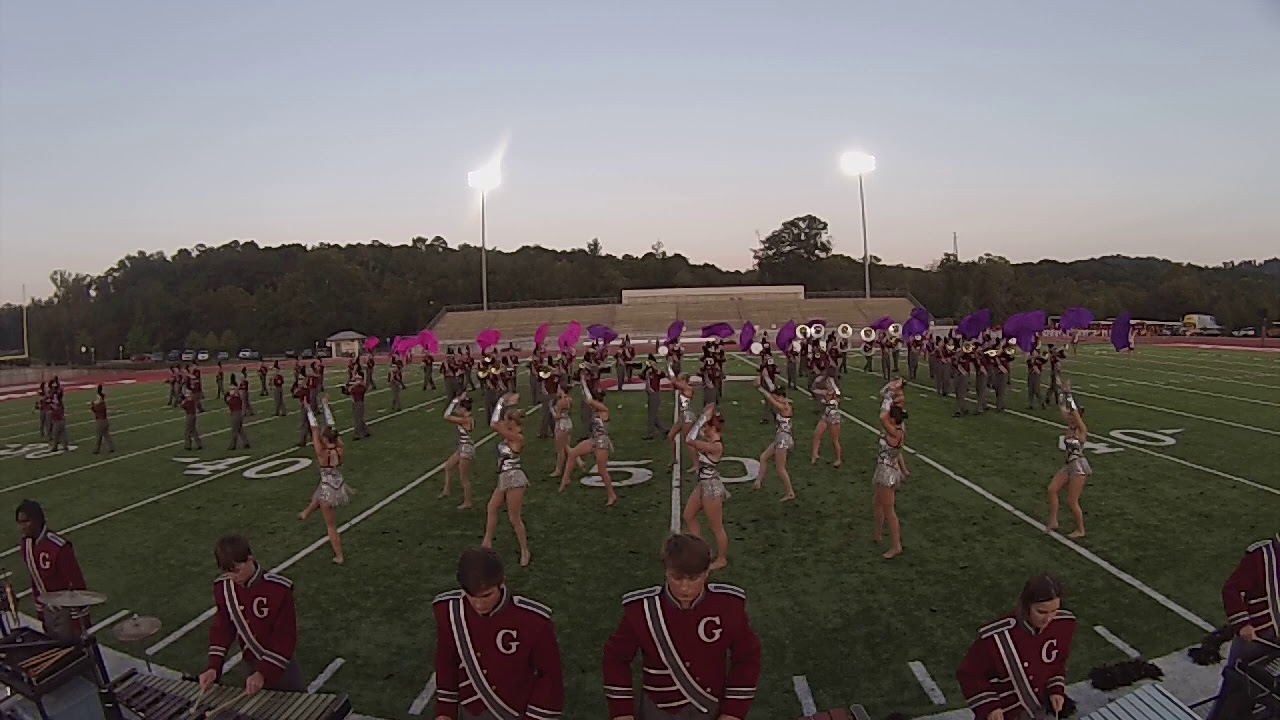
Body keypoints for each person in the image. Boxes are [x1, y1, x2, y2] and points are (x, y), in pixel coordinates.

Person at [602, 533, 761, 720]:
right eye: (676, 578)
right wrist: (622, 713)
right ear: (666, 570)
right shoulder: (641, 610)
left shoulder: (728, 606)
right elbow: (616, 659)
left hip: (710, 707)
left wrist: (733, 713)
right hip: (658, 709)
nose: (684, 588)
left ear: (707, 573)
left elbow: (747, 657)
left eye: (694, 579)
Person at [432, 547, 564, 720]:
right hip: (473, 710)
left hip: (519, 711)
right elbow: (446, 663)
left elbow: (549, 676)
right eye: (471, 596)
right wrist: (445, 712)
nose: (479, 605)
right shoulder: (449, 611)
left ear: (502, 582)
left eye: (486, 596)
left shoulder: (533, 620)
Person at [956, 573, 1075, 720]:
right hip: (1004, 713)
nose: (1049, 618)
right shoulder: (994, 637)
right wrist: (990, 707)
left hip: (1041, 709)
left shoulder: (1064, 624)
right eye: (1041, 612)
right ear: (1026, 606)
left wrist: (1056, 690)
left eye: (1054, 610)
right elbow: (970, 675)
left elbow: (1058, 662)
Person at [199, 534, 304, 694]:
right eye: (228, 573)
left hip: (281, 666)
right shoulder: (223, 588)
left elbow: (285, 637)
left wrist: (263, 673)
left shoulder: (278, 589)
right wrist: (213, 667)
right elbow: (223, 628)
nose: (233, 578)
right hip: (250, 665)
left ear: (250, 559)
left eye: (237, 571)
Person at [1206, 533, 1280, 720]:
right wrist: (1243, 624)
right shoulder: (1260, 555)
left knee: (1268, 689)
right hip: (1255, 636)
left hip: (1276, 638)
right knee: (1237, 685)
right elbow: (1232, 590)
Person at [16, 500, 91, 639]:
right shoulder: (26, 545)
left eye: (26, 522)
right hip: (47, 609)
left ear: (37, 520)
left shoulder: (59, 547)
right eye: (19, 523)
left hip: (66, 611)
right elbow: (35, 581)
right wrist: (41, 613)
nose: (22, 527)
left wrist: (78, 622)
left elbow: (77, 585)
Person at [298, 396, 349, 565]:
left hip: (329, 490)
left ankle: (339, 556)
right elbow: (333, 427)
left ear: (325, 439)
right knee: (318, 492)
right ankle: (306, 512)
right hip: (338, 484)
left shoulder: (321, 452)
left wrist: (308, 409)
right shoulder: (340, 448)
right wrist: (326, 406)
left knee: (331, 525)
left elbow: (313, 428)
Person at [483, 393, 532, 568]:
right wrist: (507, 406)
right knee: (491, 507)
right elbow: (499, 422)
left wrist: (501, 402)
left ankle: (525, 550)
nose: (505, 423)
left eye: (508, 421)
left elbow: (494, 423)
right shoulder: (511, 433)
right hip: (504, 477)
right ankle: (487, 541)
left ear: (514, 423)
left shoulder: (517, 438)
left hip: (514, 478)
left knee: (514, 517)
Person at [682, 405, 731, 571]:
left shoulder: (715, 446)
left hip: (711, 489)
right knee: (688, 515)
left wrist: (703, 418)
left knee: (717, 526)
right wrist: (704, 415)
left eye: (705, 426)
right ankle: (702, 550)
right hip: (703, 485)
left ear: (711, 427)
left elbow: (689, 439)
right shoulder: (710, 438)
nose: (703, 428)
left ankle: (722, 558)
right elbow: (694, 434)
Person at [559, 385, 619, 506]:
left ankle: (612, 495)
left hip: (601, 442)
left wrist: (584, 384)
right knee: (573, 453)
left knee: (602, 470)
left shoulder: (604, 409)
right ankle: (565, 480)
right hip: (594, 440)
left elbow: (589, 400)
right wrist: (584, 384)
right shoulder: (596, 410)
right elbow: (590, 400)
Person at [1045, 381, 1090, 538]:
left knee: (1072, 501)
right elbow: (1062, 408)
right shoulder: (1069, 427)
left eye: (1072, 416)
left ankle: (1080, 530)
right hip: (1068, 465)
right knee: (1052, 489)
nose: (1069, 417)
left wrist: (1069, 394)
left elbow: (1073, 412)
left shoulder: (1081, 430)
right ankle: (1054, 521)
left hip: (1079, 467)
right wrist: (1062, 393)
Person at [872, 388, 909, 560]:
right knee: (877, 504)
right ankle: (878, 535)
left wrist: (887, 398)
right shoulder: (899, 428)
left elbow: (881, 416)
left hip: (887, 473)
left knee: (889, 510)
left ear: (893, 419)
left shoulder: (894, 432)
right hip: (887, 469)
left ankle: (896, 545)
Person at [752, 383, 795, 502]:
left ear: (781, 397)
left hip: (783, 439)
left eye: (777, 396)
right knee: (763, 457)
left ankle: (790, 492)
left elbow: (771, 399)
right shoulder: (783, 404)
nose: (775, 398)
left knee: (780, 468)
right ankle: (758, 482)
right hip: (780, 437)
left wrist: (760, 388)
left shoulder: (785, 407)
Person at [440, 395, 475, 510]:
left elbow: (446, 416)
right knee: (448, 466)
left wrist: (455, 400)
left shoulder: (465, 420)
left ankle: (468, 502)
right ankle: (447, 490)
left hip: (466, 449)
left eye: (460, 408)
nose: (458, 410)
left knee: (464, 478)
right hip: (462, 448)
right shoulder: (467, 417)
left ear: (464, 409)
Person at [810, 373, 843, 467]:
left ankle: (838, 459)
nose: (827, 384)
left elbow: (837, 396)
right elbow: (813, 389)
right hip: (825, 416)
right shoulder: (825, 392)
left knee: (835, 440)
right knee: (817, 434)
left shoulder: (836, 393)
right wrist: (816, 381)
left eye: (829, 383)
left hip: (834, 417)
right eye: (827, 383)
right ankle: (815, 455)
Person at [90, 385, 115, 454]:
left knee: (99, 436)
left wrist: (92, 405)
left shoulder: (99, 406)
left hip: (100, 422)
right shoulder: (103, 404)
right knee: (107, 435)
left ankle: (96, 450)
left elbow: (94, 410)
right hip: (105, 421)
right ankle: (111, 448)